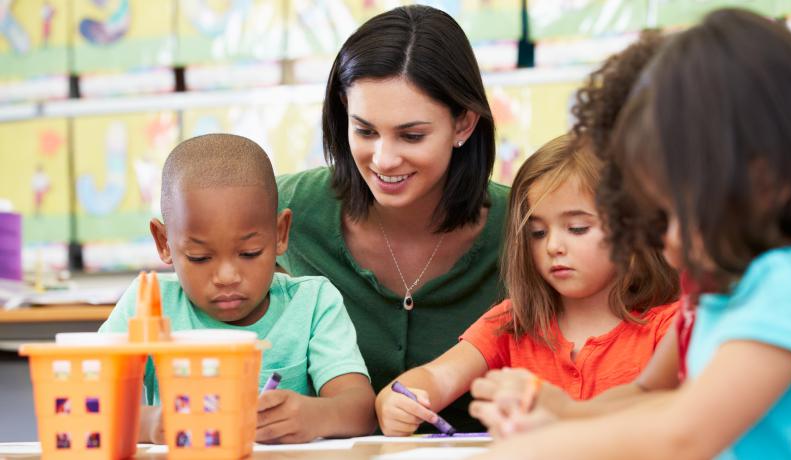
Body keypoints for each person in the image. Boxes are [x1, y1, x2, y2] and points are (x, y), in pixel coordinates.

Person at [471, 9, 791, 459]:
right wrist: (560, 411)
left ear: (762, 180)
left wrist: (541, 447)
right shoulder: (720, 292)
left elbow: (684, 434)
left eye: (673, 215)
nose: (666, 245)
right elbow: (653, 397)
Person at [276, 5, 508, 432]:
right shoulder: (286, 207)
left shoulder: (527, 225)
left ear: (464, 124)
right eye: (364, 131)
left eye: (411, 135)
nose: (383, 159)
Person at [375, 133, 679, 436]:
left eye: (577, 228)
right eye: (537, 233)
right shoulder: (513, 321)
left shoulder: (671, 327)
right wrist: (396, 401)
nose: (553, 246)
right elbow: (436, 378)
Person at [469, 29, 684, 437]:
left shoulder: (788, 285)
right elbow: (644, 392)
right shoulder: (703, 299)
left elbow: (687, 429)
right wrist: (558, 410)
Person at [99, 134, 375, 444]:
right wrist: (149, 423)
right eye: (199, 258)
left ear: (280, 233)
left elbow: (362, 410)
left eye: (249, 253)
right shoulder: (147, 305)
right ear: (164, 243)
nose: (227, 276)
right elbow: (87, 403)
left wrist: (315, 416)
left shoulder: (313, 303)